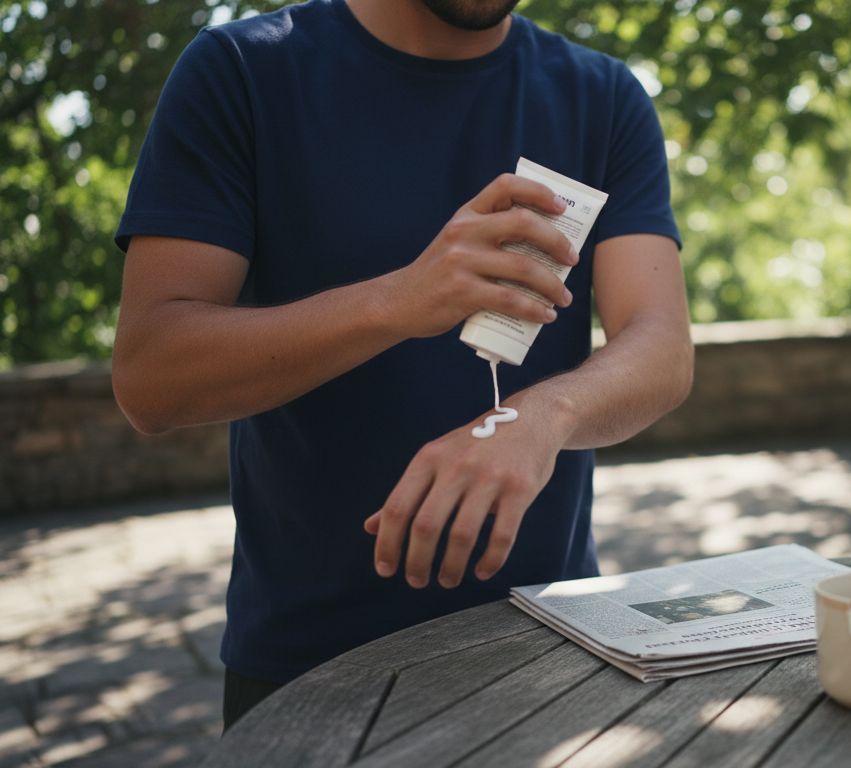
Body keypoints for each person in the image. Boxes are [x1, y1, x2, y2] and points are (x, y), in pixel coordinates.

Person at [111, 0, 692, 730]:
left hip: (557, 646)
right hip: (307, 673)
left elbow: (662, 345)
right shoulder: (241, 71)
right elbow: (149, 378)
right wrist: (399, 300)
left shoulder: (603, 95)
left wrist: (542, 418)